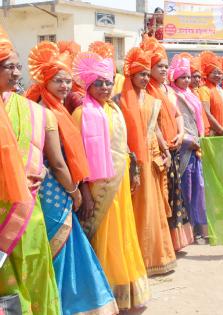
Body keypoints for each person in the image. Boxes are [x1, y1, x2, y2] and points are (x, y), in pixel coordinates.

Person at [26, 41, 119, 315]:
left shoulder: (57, 108)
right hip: (54, 189)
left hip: (53, 188)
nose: (65, 86)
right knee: (63, 246)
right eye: (58, 81)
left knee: (63, 246)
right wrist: (76, 191)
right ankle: (70, 305)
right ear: (45, 81)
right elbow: (56, 161)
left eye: (68, 81)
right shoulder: (46, 111)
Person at [72, 52, 150, 309]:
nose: (105, 88)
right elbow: (77, 154)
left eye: (107, 82)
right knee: (103, 234)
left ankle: (125, 289)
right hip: (98, 186)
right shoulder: (81, 113)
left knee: (122, 232)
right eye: (98, 83)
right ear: (88, 85)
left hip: (120, 180)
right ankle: (103, 292)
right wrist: (84, 187)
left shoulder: (115, 109)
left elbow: (124, 145)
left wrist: (135, 171)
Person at [0, 27, 61, 315]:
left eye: (17, 66)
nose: (15, 73)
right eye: (8, 66)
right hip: (3, 213)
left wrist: (39, 171)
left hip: (27, 208)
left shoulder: (28, 110)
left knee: (34, 267)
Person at [117, 47, 179, 272]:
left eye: (146, 74)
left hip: (151, 158)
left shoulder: (152, 99)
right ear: (130, 75)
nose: (144, 78)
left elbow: (154, 129)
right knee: (137, 207)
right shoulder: (120, 100)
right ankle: (137, 260)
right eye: (140, 74)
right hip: (131, 159)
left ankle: (157, 257)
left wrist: (164, 148)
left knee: (154, 206)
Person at [142, 37, 192, 251]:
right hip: (161, 151)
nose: (163, 70)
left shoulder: (166, 91)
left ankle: (174, 242)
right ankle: (163, 244)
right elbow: (152, 124)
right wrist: (163, 145)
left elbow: (177, 114)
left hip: (175, 146)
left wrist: (181, 133)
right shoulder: (147, 91)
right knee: (164, 196)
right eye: (159, 66)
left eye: (165, 66)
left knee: (174, 195)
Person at [168, 55, 208, 245]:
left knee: (198, 187)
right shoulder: (172, 95)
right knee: (186, 189)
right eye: (182, 77)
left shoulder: (191, 94)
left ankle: (199, 228)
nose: (186, 80)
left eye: (188, 77)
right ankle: (188, 231)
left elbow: (198, 120)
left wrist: (199, 139)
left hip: (196, 147)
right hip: (184, 148)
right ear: (174, 78)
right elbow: (173, 123)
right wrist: (189, 141)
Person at [198, 51, 223, 136]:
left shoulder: (221, 90)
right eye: (214, 72)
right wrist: (220, 129)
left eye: (220, 73)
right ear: (207, 74)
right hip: (213, 133)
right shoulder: (204, 90)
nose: (217, 75)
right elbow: (206, 113)